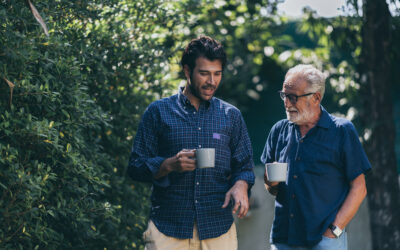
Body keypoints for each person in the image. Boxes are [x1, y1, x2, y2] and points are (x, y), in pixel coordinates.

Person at [128, 36, 255, 250]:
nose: (211, 81)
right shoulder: (158, 112)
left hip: (218, 229)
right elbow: (135, 167)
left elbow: (245, 167)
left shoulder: (231, 116)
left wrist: (241, 185)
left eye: (217, 74)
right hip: (168, 229)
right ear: (187, 71)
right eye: (204, 73)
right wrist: (168, 165)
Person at [261, 64, 371, 250]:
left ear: (316, 97)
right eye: (284, 95)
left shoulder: (341, 131)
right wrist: (270, 181)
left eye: (293, 97)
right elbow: (271, 189)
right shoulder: (278, 130)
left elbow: (359, 188)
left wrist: (334, 231)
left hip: (324, 240)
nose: (287, 103)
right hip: (284, 238)